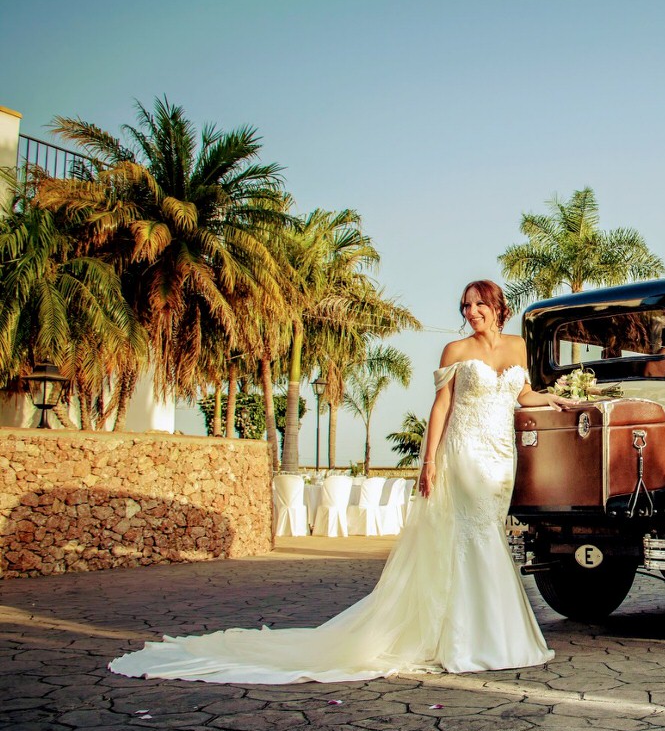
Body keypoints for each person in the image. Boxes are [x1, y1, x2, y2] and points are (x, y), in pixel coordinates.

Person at [108, 280, 573, 683]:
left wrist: (558, 400)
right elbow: (441, 408)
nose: (472, 313)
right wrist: (428, 461)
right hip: (465, 452)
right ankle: (474, 641)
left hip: (500, 459)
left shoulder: (517, 348)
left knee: (490, 532)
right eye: (466, 307)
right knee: (471, 537)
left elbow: (522, 391)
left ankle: (498, 634)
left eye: (479, 305)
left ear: (498, 305)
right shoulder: (455, 351)